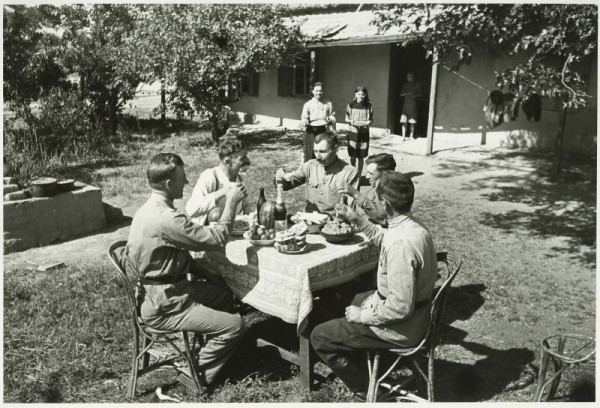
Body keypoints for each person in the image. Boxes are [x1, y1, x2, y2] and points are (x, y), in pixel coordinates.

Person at [310, 172, 438, 402]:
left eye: (376, 200)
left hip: (403, 327)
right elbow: (385, 238)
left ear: (386, 204)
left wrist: (363, 316)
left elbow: (400, 307)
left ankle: (366, 391)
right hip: (417, 313)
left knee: (319, 336)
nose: (372, 203)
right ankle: (362, 358)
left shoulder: (401, 245)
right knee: (355, 298)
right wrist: (358, 220)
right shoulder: (413, 225)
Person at [126, 152, 247, 392]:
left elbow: (172, 258)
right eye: (182, 178)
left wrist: (211, 276)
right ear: (169, 184)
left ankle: (217, 352)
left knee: (223, 295)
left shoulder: (146, 210)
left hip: (158, 294)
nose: (187, 182)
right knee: (235, 325)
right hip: (166, 305)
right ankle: (193, 371)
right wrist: (231, 202)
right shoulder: (167, 219)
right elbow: (217, 239)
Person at [275, 131, 357, 214]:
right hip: (309, 219)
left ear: (335, 149)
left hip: (334, 220)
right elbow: (287, 185)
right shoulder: (310, 165)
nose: (318, 156)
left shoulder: (349, 172)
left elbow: (352, 210)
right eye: (315, 151)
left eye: (322, 151)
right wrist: (280, 179)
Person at [186, 138, 254, 226]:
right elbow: (191, 210)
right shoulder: (210, 177)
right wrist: (223, 192)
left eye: (246, 156)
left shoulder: (243, 178)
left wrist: (253, 214)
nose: (247, 160)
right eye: (242, 158)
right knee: (217, 213)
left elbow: (248, 207)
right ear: (227, 162)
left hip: (235, 229)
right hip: (209, 231)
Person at [337, 153, 397, 227]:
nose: (367, 177)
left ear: (385, 175)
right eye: (367, 173)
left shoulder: (392, 195)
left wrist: (355, 194)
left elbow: (381, 218)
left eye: (371, 174)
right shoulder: (369, 191)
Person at [300, 82, 336, 162]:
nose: (318, 93)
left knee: (322, 152)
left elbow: (332, 115)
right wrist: (305, 121)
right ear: (313, 91)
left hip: (323, 129)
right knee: (309, 153)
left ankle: (321, 168)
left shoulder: (328, 103)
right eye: (316, 91)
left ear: (323, 91)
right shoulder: (308, 104)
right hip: (311, 130)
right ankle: (308, 168)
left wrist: (331, 118)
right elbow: (304, 118)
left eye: (320, 91)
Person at [345, 86, 373, 180]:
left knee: (361, 156)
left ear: (365, 95)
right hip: (353, 132)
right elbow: (346, 118)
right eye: (359, 94)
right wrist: (351, 121)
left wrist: (368, 123)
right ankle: (353, 173)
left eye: (362, 94)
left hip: (364, 133)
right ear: (355, 94)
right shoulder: (350, 105)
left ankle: (359, 176)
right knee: (353, 154)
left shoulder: (369, 106)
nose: (360, 96)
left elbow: (370, 120)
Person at [399, 72, 422, 141]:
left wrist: (415, 95)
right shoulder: (405, 85)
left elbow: (420, 94)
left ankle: (411, 136)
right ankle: (403, 137)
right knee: (404, 121)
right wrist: (407, 93)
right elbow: (401, 94)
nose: (409, 78)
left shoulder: (416, 84)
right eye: (408, 77)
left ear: (413, 77)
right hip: (406, 105)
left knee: (412, 122)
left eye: (410, 76)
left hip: (413, 105)